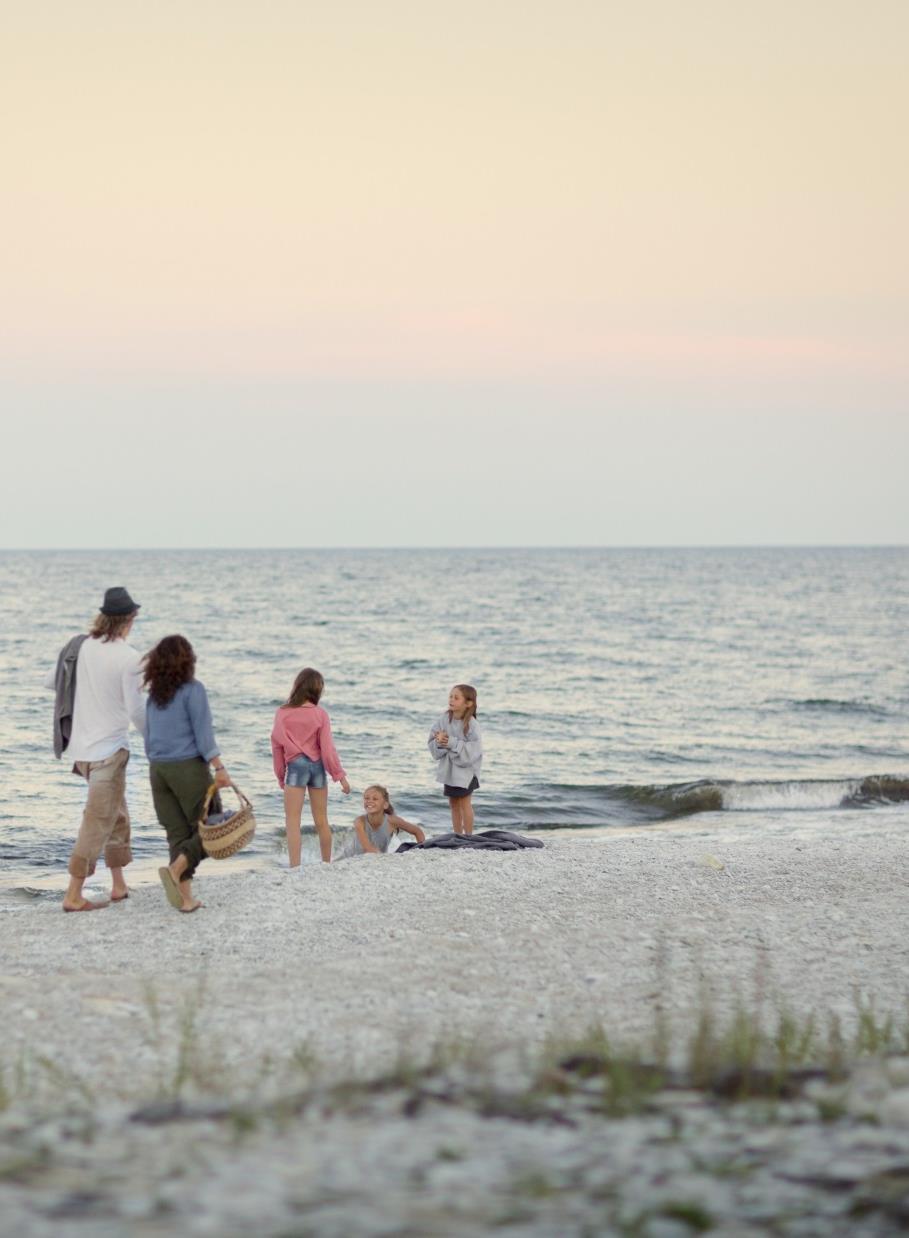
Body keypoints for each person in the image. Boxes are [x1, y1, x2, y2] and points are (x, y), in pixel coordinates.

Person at [47, 587, 146, 912]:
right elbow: (136, 711)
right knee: (98, 820)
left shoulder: (78, 647)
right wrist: (156, 740)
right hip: (109, 751)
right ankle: (73, 894)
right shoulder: (129, 657)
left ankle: (118, 886)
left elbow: (52, 682)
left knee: (116, 815)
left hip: (82, 751)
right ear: (128, 620)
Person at [143, 635, 231, 913]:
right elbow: (204, 736)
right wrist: (219, 767)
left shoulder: (154, 697)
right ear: (188, 661)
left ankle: (184, 899)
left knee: (177, 835)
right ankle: (177, 868)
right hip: (187, 768)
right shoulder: (194, 690)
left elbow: (149, 739)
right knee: (212, 827)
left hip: (157, 770)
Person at [271, 668, 350, 865]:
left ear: (298, 685)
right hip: (317, 767)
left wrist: (281, 775)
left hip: (296, 767)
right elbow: (328, 749)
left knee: (292, 822)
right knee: (322, 821)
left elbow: (277, 746)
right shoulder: (321, 714)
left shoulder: (283, 713)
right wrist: (340, 776)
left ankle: (295, 867)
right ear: (317, 690)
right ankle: (326, 863)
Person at [428, 684, 483, 835]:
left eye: (456, 697)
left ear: (468, 703)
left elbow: (475, 750)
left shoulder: (472, 724)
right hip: (450, 771)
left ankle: (469, 836)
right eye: (450, 696)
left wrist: (451, 742)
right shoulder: (445, 719)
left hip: (467, 772)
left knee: (465, 803)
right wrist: (439, 740)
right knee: (453, 803)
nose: (451, 700)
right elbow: (433, 737)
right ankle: (458, 835)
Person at [339, 784, 425, 858]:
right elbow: (368, 848)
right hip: (349, 858)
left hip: (375, 859)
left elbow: (418, 832)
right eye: (366, 798)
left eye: (375, 799)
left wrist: (421, 852)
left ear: (385, 805)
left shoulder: (392, 821)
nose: (369, 801)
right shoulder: (359, 821)